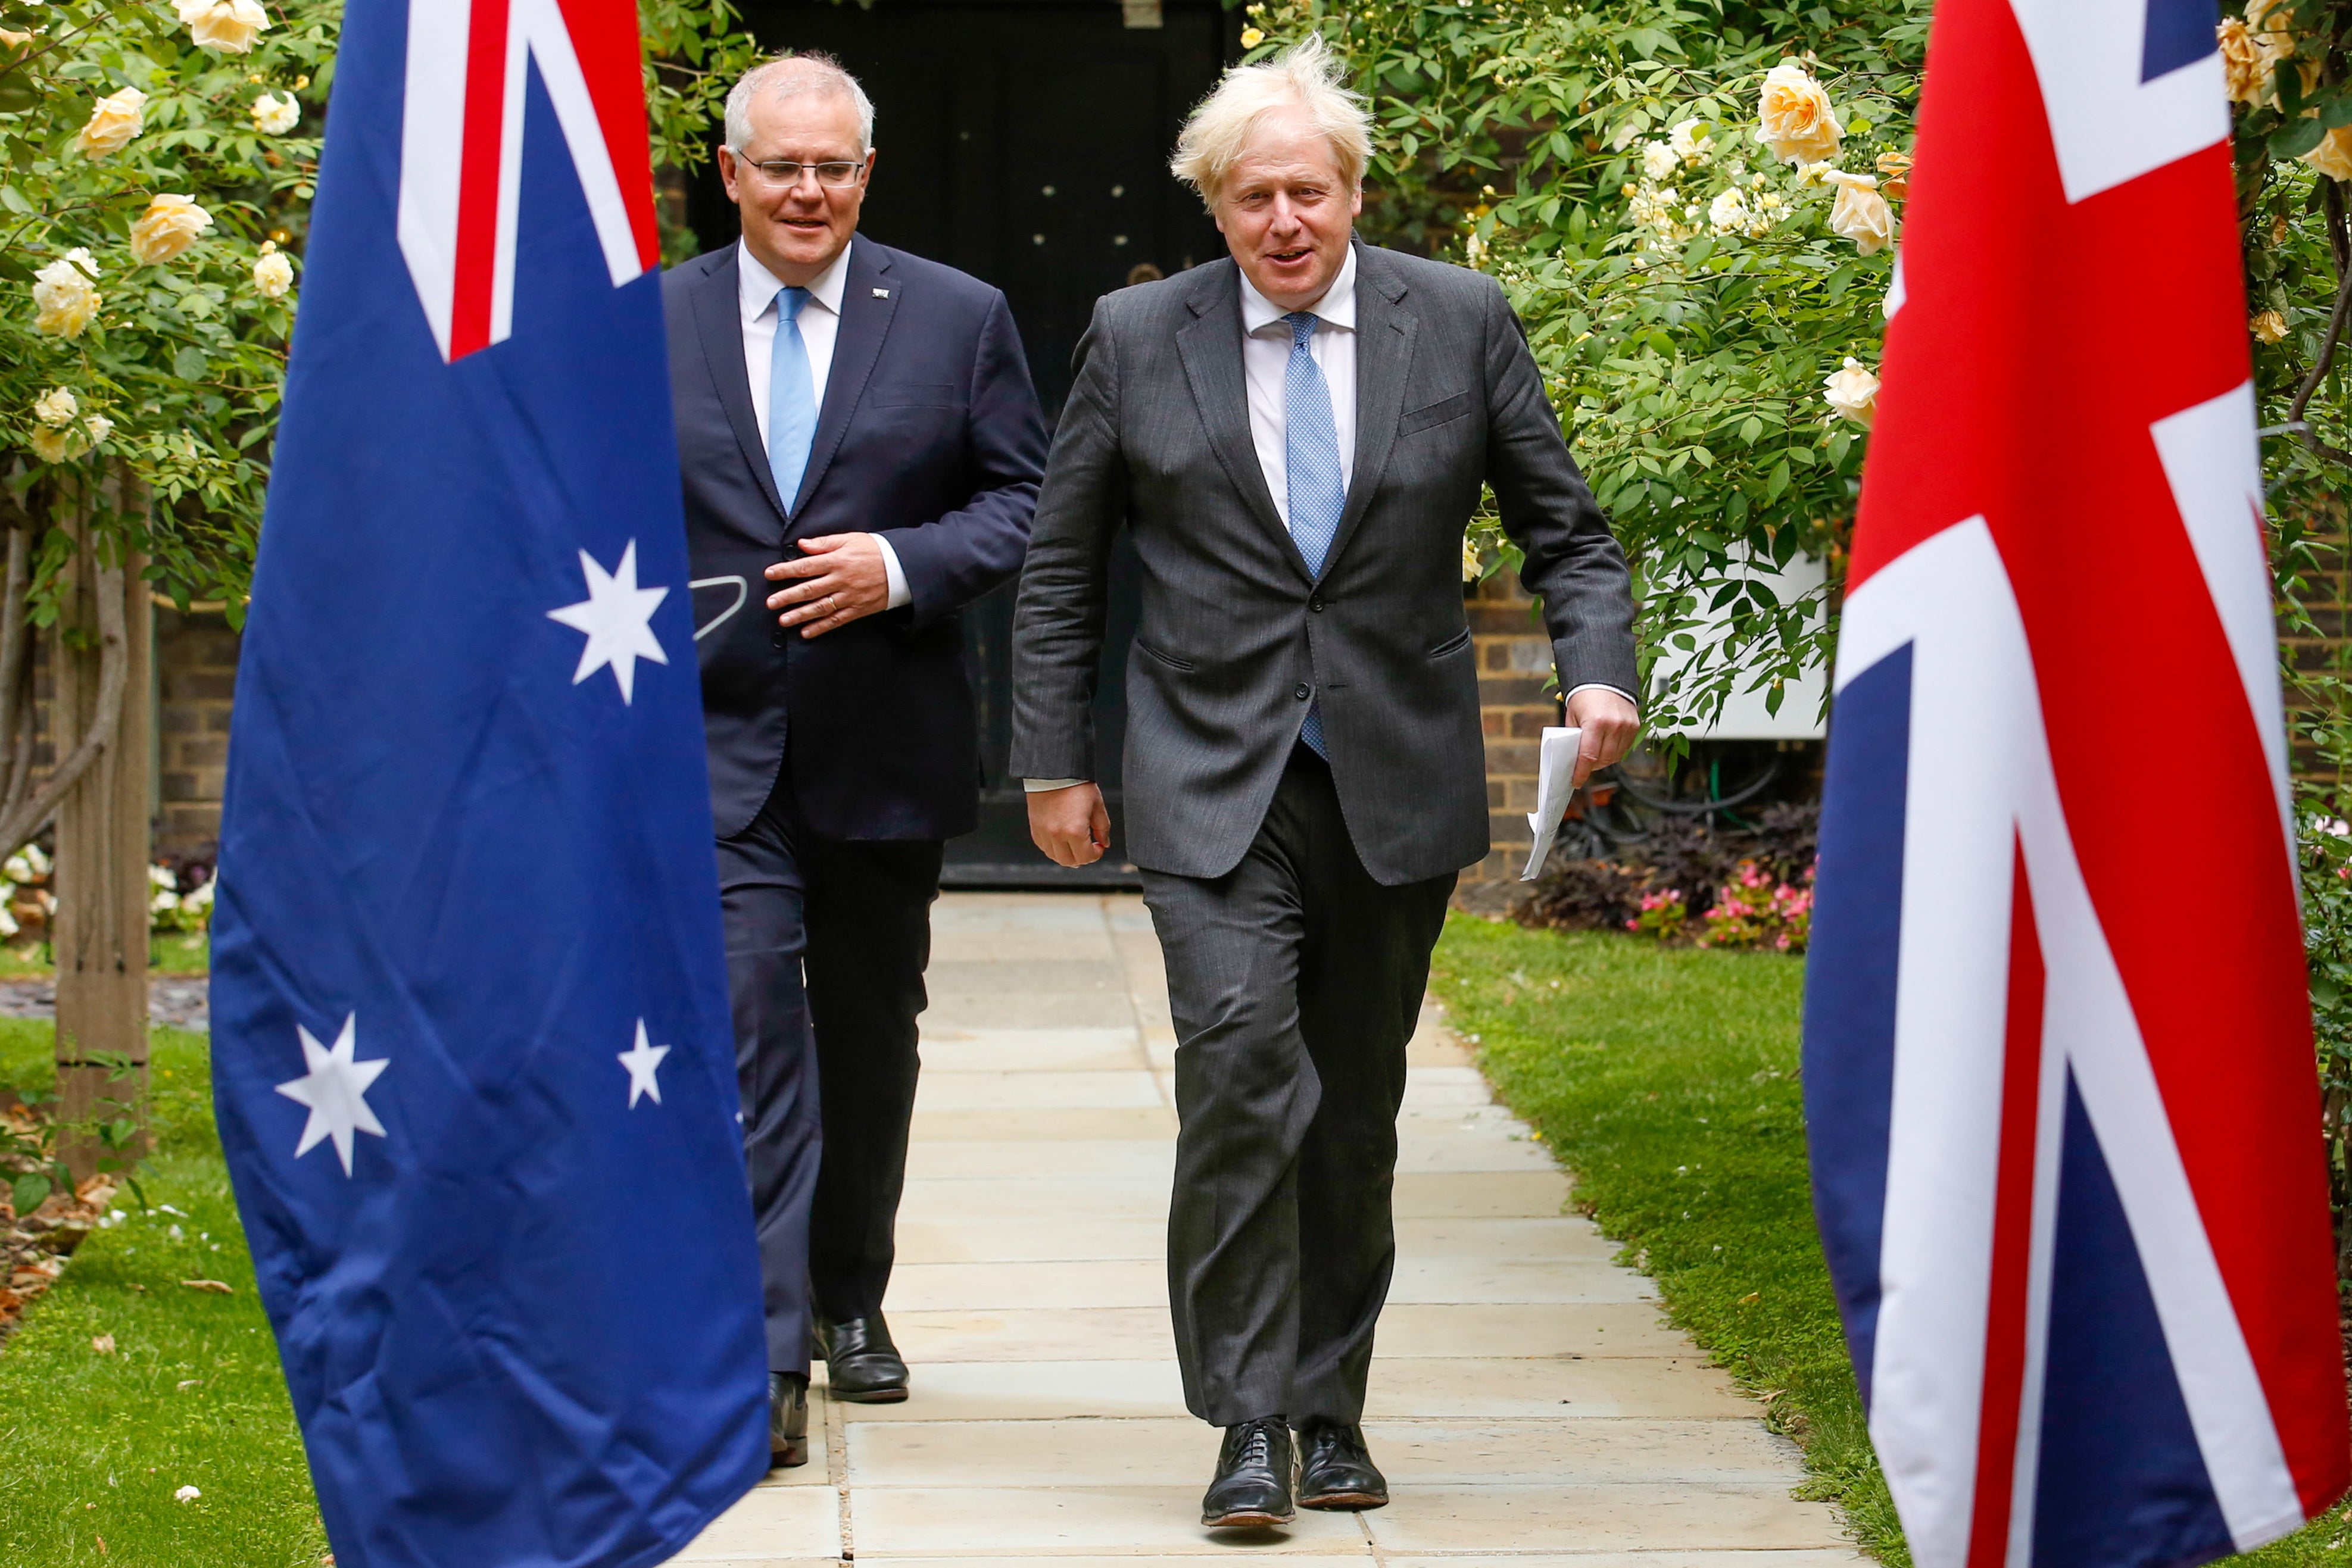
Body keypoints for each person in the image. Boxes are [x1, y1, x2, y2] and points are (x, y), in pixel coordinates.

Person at [1007, 35, 1640, 1528]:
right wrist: (1050, 760)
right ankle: (1242, 1421)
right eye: (1250, 199)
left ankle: (1327, 1401)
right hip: (1206, 775)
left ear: (1354, 192)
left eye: (1308, 191)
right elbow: (1058, 564)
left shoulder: (1460, 322)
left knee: (1352, 1110)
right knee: (1239, 1073)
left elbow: (1569, 528)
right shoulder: (1134, 332)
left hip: (1394, 779)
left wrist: (1596, 668)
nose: (1282, 222)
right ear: (1212, 209)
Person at [663, 52, 1046, 1466]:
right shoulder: (650, 324)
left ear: (865, 175)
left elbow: (1028, 499)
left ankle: (849, 1298)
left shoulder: (955, 317)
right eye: (782, 166)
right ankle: (760, 1351)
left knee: (868, 1034)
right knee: (754, 1025)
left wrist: (900, 563)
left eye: (833, 167)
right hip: (708, 755)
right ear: (734, 174)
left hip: (881, 744)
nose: (808, 190)